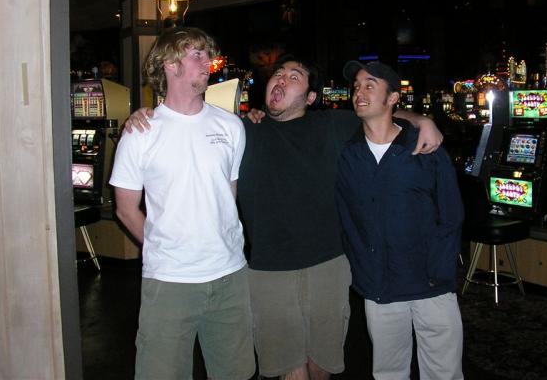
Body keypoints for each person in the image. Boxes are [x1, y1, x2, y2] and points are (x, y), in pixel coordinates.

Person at [126, 53, 443, 380]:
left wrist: (422, 120)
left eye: (294, 77)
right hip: (268, 270)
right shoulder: (241, 129)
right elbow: (189, 122)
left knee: (322, 367)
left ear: (310, 97)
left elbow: (379, 114)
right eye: (279, 74)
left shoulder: (332, 125)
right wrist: (147, 115)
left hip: (329, 265)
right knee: (291, 372)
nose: (281, 79)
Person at [110, 27, 255, 380]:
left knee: (235, 372)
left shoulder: (232, 126)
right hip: (170, 279)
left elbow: (227, 194)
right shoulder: (140, 132)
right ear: (170, 64)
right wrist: (164, 246)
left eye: (208, 54)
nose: (208, 62)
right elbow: (125, 208)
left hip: (230, 275)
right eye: (197, 55)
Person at [335, 60, 464, 380]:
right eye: (356, 86)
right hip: (379, 285)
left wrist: (441, 268)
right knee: (389, 373)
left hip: (430, 283)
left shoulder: (425, 148)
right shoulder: (345, 152)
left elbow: (452, 215)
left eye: (369, 85)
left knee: (444, 373)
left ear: (392, 98)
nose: (358, 92)